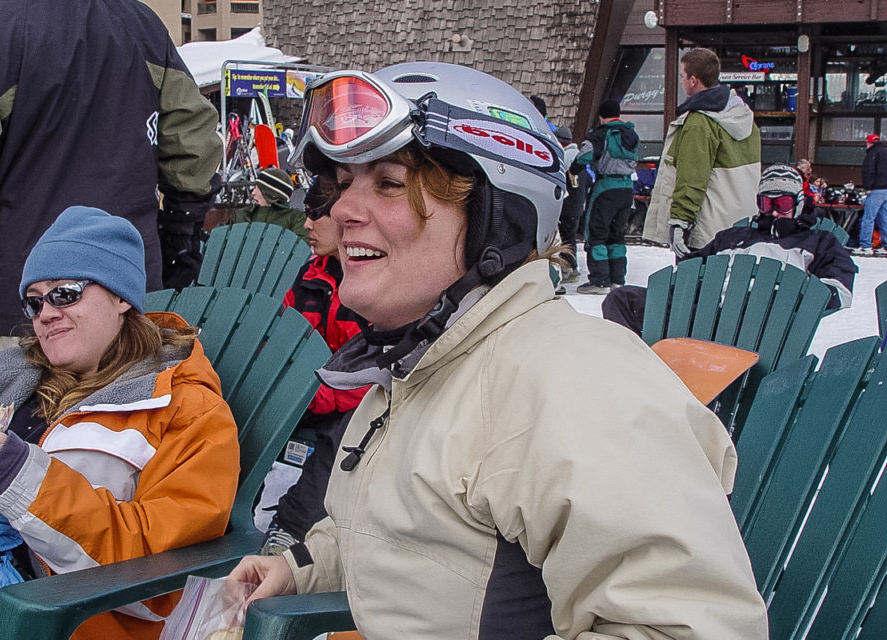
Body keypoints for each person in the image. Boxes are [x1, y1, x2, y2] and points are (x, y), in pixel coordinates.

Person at [229, 62, 768, 639]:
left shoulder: (572, 382)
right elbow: (401, 541)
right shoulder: (422, 369)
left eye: (387, 183)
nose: (340, 210)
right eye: (342, 184)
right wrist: (299, 570)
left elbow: (689, 627)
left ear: (495, 215)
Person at [0, 207, 239, 640]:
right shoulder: (6, 374)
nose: (45, 313)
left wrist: (23, 479)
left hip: (28, 599)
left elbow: (159, 575)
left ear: (121, 297)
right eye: (36, 300)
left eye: (66, 293)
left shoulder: (185, 410)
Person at [0, 0, 223, 356]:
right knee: (126, 411)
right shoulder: (140, 24)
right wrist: (181, 231)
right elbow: (195, 147)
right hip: (125, 299)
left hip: (26, 309)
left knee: (25, 413)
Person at [602, 164, 857, 335]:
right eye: (767, 202)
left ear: (799, 204)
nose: (775, 210)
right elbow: (694, 270)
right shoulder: (735, 236)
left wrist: (789, 300)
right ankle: (636, 370)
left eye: (783, 202)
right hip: (705, 313)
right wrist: (683, 254)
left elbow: (839, 290)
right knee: (623, 300)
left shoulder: (819, 242)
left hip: (762, 326)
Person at [260, 180, 368, 556]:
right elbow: (286, 339)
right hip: (311, 391)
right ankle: (231, 503)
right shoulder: (310, 278)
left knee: (344, 434)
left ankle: (290, 528)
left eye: (314, 214)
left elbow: (374, 370)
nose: (306, 224)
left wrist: (313, 393)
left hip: (351, 397)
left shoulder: (373, 281)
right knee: (252, 411)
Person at [642, 47, 762, 257]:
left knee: (695, 288)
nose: (681, 81)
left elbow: (691, 178)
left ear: (693, 80)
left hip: (707, 230)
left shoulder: (699, 123)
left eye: (682, 76)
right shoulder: (745, 118)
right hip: (740, 226)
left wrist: (679, 222)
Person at [574, 99, 639, 294]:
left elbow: (585, 156)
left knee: (596, 233)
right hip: (627, 188)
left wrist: (574, 169)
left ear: (601, 116)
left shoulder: (600, 135)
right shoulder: (631, 134)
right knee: (617, 235)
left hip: (606, 187)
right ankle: (618, 279)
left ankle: (600, 280)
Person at [228, 166, 307, 241]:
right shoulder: (240, 215)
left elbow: (300, 249)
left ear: (269, 193)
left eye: (257, 188)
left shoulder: (296, 219)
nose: (253, 192)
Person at [555, 125, 586, 285]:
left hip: (567, 205)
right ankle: (571, 267)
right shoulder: (579, 155)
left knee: (565, 239)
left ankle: (569, 268)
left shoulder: (564, 157)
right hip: (578, 205)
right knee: (571, 237)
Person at [857, 133, 887, 255]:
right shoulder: (885, 152)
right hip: (885, 189)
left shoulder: (872, 154)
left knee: (868, 218)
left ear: (869, 143)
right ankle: (886, 245)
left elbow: (869, 171)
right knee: (884, 218)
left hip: (875, 189)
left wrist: (868, 187)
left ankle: (866, 245)